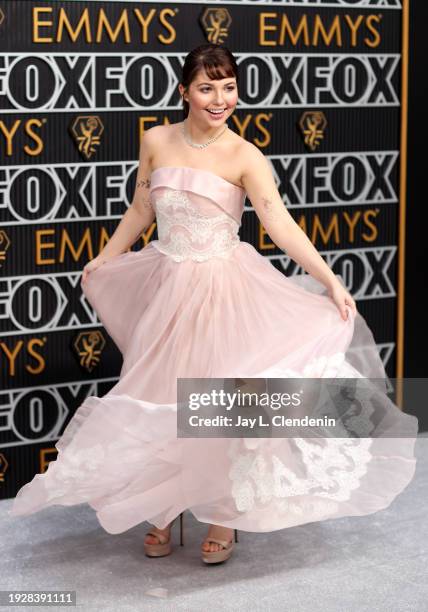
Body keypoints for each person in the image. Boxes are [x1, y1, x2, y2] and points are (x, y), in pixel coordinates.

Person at [9, 43, 417, 565]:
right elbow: (140, 209)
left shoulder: (245, 154)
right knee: (160, 394)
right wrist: (105, 257)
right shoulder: (155, 140)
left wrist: (330, 279)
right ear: (184, 91)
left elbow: (279, 222)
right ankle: (160, 511)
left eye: (228, 88)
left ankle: (225, 517)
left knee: (223, 405)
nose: (219, 99)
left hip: (226, 290)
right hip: (169, 289)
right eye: (207, 88)